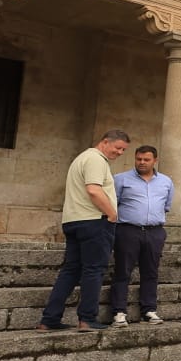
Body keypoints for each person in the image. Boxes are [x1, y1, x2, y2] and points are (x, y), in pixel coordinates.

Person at [39, 129, 130, 331]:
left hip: (74, 220)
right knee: (94, 270)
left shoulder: (82, 158)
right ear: (105, 142)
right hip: (94, 221)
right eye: (118, 148)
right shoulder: (96, 159)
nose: (120, 153)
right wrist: (111, 214)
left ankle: (49, 318)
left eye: (124, 150)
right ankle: (87, 318)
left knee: (71, 271)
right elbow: (93, 189)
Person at [108, 145, 174, 325]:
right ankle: (119, 311)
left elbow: (166, 206)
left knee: (151, 272)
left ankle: (149, 310)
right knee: (123, 270)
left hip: (155, 231)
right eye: (139, 159)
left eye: (146, 159)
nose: (142, 162)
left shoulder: (166, 181)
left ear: (155, 161)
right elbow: (113, 203)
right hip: (128, 230)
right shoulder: (120, 179)